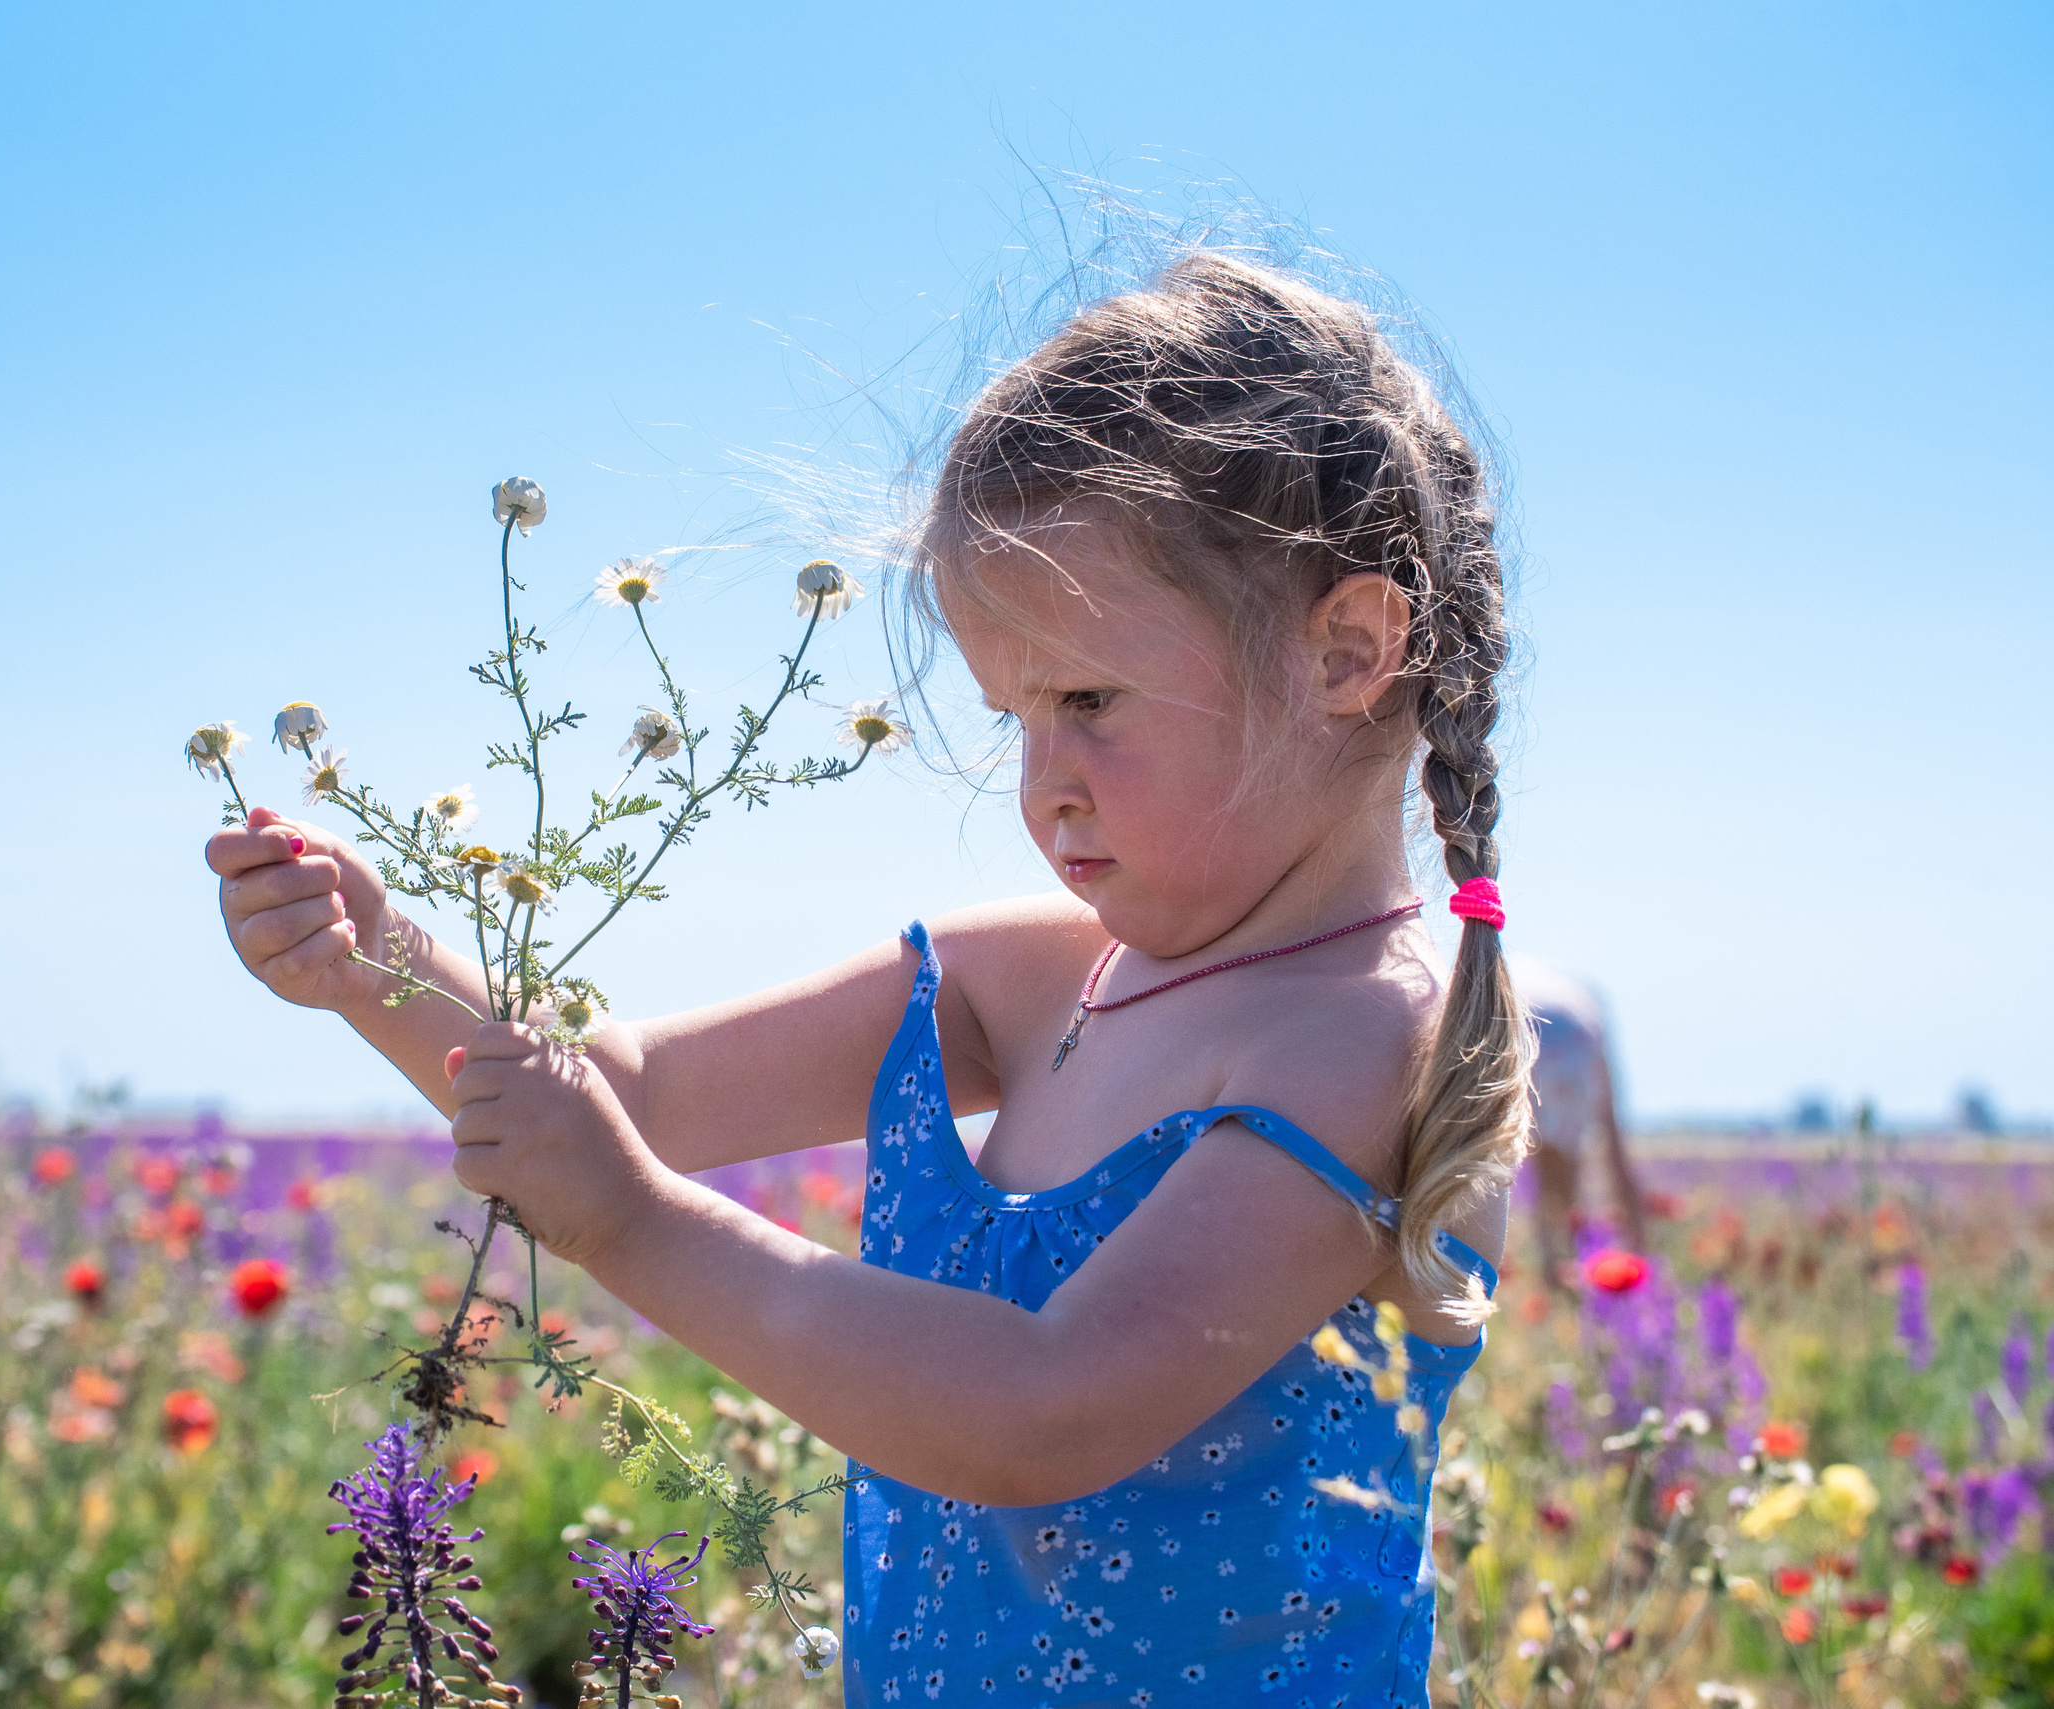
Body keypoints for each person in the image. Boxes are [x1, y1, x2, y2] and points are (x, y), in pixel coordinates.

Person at [209, 251, 1530, 1707]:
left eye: (1088, 702)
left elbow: (1048, 1407)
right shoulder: (1026, 981)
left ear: (1348, 650)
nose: (1045, 788)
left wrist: (634, 1228)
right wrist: (382, 966)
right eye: (1015, 716)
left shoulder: (1363, 1037)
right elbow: (625, 1092)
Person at [1507, 957, 1648, 1288]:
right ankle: (1604, 1265)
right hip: (1567, 1029)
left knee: (1531, 1163)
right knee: (1564, 1174)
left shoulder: (1531, 980)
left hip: (1514, 1013)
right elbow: (1612, 1133)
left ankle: (1556, 1273)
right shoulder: (1582, 1001)